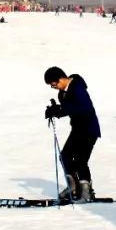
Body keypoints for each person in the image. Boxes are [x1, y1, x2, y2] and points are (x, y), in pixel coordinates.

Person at [44, 66, 101, 202]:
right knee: (65, 157)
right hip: (77, 129)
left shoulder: (77, 87)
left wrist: (61, 109)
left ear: (61, 79)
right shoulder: (62, 93)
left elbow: (84, 107)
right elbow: (69, 110)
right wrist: (55, 110)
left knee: (81, 160)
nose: (55, 88)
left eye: (54, 84)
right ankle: (73, 187)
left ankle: (86, 193)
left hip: (89, 129)